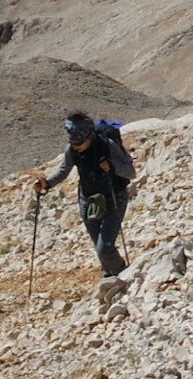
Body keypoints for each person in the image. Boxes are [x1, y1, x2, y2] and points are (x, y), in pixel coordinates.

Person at [33, 110, 136, 276]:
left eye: (79, 142)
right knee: (100, 247)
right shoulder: (72, 150)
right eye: (73, 142)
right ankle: (110, 275)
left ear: (89, 136)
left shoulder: (107, 146)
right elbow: (63, 171)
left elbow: (131, 172)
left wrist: (112, 166)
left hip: (114, 196)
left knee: (104, 248)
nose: (76, 146)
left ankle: (122, 275)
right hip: (87, 200)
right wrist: (47, 183)